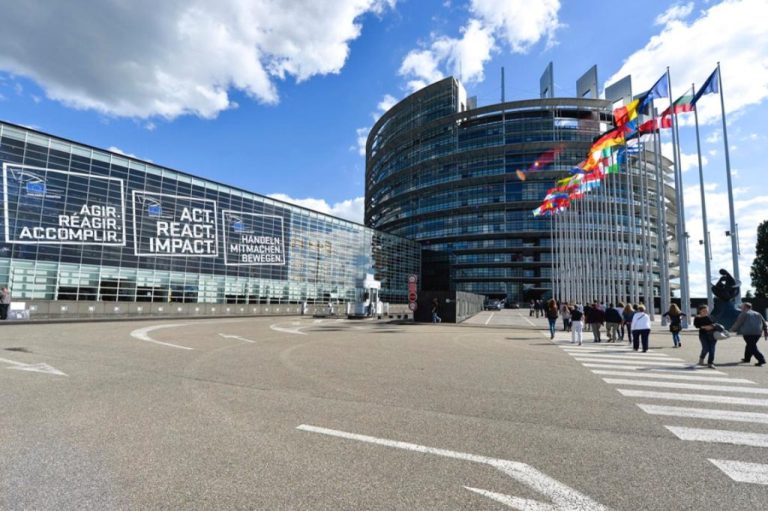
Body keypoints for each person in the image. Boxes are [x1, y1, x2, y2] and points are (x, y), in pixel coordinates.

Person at [731, 302, 767, 367]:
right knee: (750, 345)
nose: (741, 307)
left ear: (745, 307)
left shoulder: (744, 313)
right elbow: (764, 322)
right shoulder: (758, 313)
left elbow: (738, 323)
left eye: (742, 306)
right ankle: (747, 358)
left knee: (752, 346)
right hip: (758, 333)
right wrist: (765, 330)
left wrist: (732, 330)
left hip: (748, 333)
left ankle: (761, 360)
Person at [694, 304, 717, 369]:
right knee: (705, 348)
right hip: (703, 335)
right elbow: (696, 325)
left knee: (712, 349)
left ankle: (710, 363)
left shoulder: (711, 317)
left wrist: (712, 326)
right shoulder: (697, 318)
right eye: (704, 311)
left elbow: (716, 324)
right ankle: (701, 359)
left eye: (706, 310)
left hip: (712, 335)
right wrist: (704, 327)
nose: (705, 312)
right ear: (700, 311)